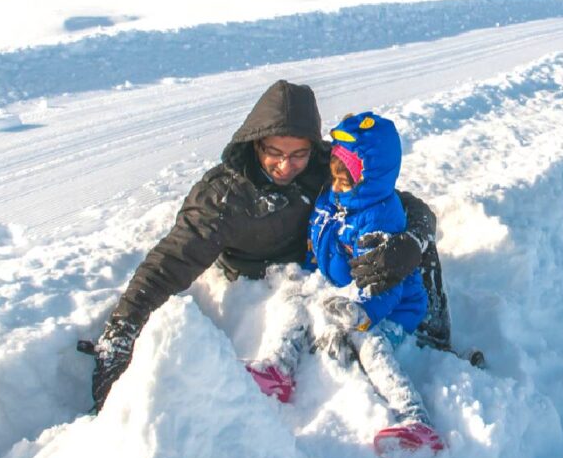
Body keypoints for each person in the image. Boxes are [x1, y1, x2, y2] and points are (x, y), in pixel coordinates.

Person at [89, 80, 451, 413]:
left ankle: (433, 343)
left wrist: (412, 240)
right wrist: (122, 332)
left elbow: (398, 203)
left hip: (328, 271)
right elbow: (169, 262)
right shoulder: (225, 196)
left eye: (298, 154)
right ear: (256, 142)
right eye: (274, 152)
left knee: (406, 246)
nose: (285, 165)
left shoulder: (324, 166)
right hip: (270, 288)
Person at [247, 111, 445, 458]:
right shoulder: (332, 198)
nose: (337, 186)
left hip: (390, 307)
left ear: (369, 178)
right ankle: (279, 367)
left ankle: (415, 417)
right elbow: (321, 240)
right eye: (335, 177)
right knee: (295, 302)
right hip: (343, 290)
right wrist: (309, 274)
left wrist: (364, 312)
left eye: (346, 181)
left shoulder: (380, 217)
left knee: (369, 342)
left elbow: (389, 284)